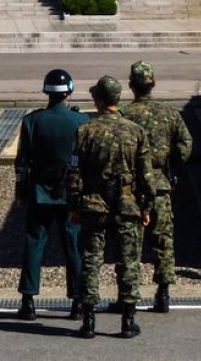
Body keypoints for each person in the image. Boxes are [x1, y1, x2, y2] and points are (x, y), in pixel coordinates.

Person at [66, 75, 155, 340]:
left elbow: (74, 173)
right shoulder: (136, 132)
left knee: (91, 260)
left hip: (93, 204)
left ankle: (89, 321)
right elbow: (146, 177)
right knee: (128, 261)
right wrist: (146, 207)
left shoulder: (85, 131)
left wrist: (74, 205)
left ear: (100, 100)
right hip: (127, 204)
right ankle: (128, 321)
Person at [14, 68, 89, 321]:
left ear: (47, 91)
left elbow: (22, 163)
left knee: (34, 243)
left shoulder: (32, 121)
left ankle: (28, 300)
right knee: (74, 246)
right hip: (71, 193)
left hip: (39, 192)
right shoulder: (81, 121)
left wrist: (21, 192)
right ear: (69, 91)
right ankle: (78, 301)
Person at [120, 60, 193, 313]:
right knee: (163, 240)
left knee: (130, 243)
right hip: (161, 185)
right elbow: (185, 144)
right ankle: (163, 293)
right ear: (153, 84)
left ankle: (128, 295)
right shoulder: (170, 113)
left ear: (131, 85)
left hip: (132, 188)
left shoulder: (125, 115)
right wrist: (170, 163)